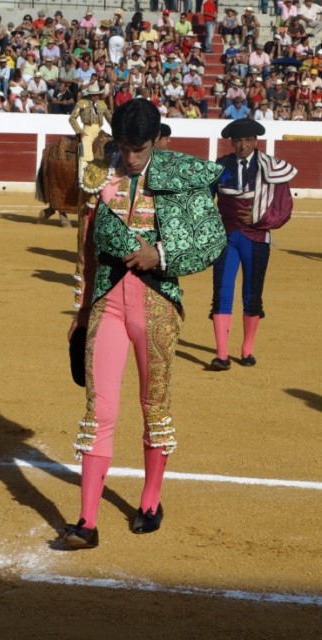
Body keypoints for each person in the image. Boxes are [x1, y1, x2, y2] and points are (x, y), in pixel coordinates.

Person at [63, 99, 226, 548]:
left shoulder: (180, 174)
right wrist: (81, 309)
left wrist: (163, 255)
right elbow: (89, 247)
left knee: (153, 406)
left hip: (157, 303)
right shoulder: (100, 173)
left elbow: (210, 239)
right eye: (124, 148)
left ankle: (151, 500)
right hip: (108, 303)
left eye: (139, 149)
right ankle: (87, 520)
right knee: (100, 411)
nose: (130, 158)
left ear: (157, 141)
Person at [210, 119, 297, 370]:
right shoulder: (221, 166)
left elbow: (283, 206)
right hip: (226, 237)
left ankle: (247, 349)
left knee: (252, 293)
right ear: (232, 142)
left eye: (247, 140)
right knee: (222, 292)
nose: (243, 145)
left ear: (255, 141)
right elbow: (204, 200)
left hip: (256, 238)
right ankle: (222, 354)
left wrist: (260, 219)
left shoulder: (270, 167)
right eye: (238, 141)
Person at [68, 83, 112, 167]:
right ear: (89, 95)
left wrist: (115, 130)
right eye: (94, 95)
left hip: (100, 130)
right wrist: (79, 131)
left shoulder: (102, 104)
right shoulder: (82, 103)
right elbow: (72, 118)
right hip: (87, 131)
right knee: (85, 145)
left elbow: (110, 119)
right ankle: (84, 172)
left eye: (97, 95)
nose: (96, 97)